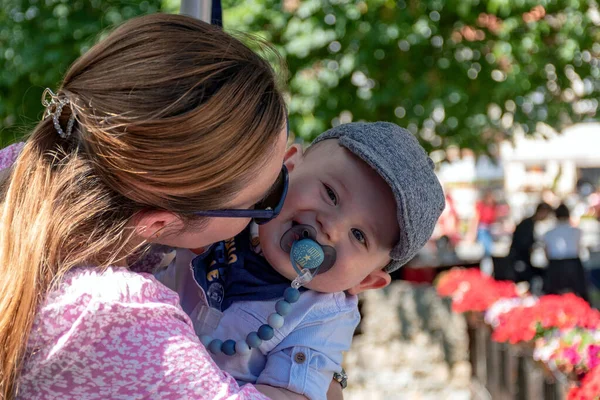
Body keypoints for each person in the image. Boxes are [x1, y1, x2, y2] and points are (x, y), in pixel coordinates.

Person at [0, 13, 310, 399]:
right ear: (158, 222)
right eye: (262, 202)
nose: (281, 209)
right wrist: (323, 374)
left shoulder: (25, 166)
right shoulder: (119, 316)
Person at [156, 122, 446, 400]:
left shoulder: (323, 317)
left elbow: (290, 395)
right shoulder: (233, 211)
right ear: (289, 165)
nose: (331, 227)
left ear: (366, 280)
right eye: (331, 194)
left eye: (359, 235)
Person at [543, 204, 589, 302]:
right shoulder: (577, 231)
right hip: (573, 264)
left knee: (553, 296)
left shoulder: (549, 233)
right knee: (579, 295)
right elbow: (579, 247)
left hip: (555, 265)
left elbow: (546, 252)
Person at [507, 202, 553, 284]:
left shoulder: (530, 223)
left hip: (524, 258)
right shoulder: (527, 224)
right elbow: (523, 244)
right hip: (520, 259)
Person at [470, 190, 498, 258]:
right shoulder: (481, 206)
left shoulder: (493, 207)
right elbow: (476, 219)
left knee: (489, 248)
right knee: (487, 249)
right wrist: (472, 233)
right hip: (482, 229)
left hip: (490, 229)